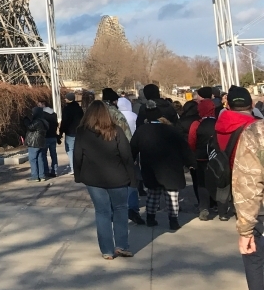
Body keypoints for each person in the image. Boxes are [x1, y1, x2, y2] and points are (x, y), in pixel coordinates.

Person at [72, 100, 138, 260]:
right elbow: (126, 156)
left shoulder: (82, 132)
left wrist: (78, 175)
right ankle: (122, 245)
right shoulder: (116, 131)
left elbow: (77, 155)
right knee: (120, 210)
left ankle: (107, 250)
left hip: (93, 179)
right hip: (118, 178)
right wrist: (133, 178)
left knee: (102, 212)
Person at [130, 101, 194, 230]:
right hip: (171, 168)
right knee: (172, 195)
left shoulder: (141, 130)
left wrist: (130, 160)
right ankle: (173, 221)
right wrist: (191, 163)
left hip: (150, 167)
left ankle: (150, 218)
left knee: (153, 194)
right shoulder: (172, 130)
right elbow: (184, 147)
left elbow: (133, 148)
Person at [232, 108, 264, 290]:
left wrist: (245, 229)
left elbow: (248, 185)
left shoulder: (256, 133)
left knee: (255, 257)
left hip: (261, 213)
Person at [215, 85, 258, 220]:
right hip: (253, 181)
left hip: (229, 173)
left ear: (228, 105)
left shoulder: (219, 124)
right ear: (252, 104)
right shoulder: (257, 127)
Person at [188, 94, 218, 220]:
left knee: (202, 183)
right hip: (217, 157)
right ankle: (217, 205)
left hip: (201, 158)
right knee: (217, 181)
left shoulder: (196, 124)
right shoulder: (219, 122)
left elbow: (191, 141)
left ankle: (204, 207)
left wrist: (194, 153)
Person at [116, 94, 142, 223]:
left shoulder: (115, 116)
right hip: (132, 149)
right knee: (133, 178)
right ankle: (133, 207)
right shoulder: (134, 116)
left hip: (117, 149)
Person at [23, 105, 49, 182]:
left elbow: (30, 127)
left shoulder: (37, 121)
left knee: (33, 159)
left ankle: (34, 176)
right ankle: (42, 175)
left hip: (34, 143)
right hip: (40, 143)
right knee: (40, 159)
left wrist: (26, 120)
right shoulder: (44, 121)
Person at [60, 91, 84, 173]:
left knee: (69, 150)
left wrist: (61, 132)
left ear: (68, 99)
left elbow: (64, 122)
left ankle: (73, 168)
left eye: (66, 98)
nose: (65, 99)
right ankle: (79, 167)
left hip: (70, 132)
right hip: (79, 132)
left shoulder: (66, 109)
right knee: (78, 150)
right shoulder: (79, 109)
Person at [41, 99, 60, 178]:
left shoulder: (42, 114)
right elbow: (56, 124)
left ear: (43, 104)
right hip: (53, 136)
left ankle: (46, 171)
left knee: (43, 155)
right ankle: (54, 170)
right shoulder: (54, 114)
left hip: (45, 137)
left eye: (39, 104)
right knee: (53, 154)